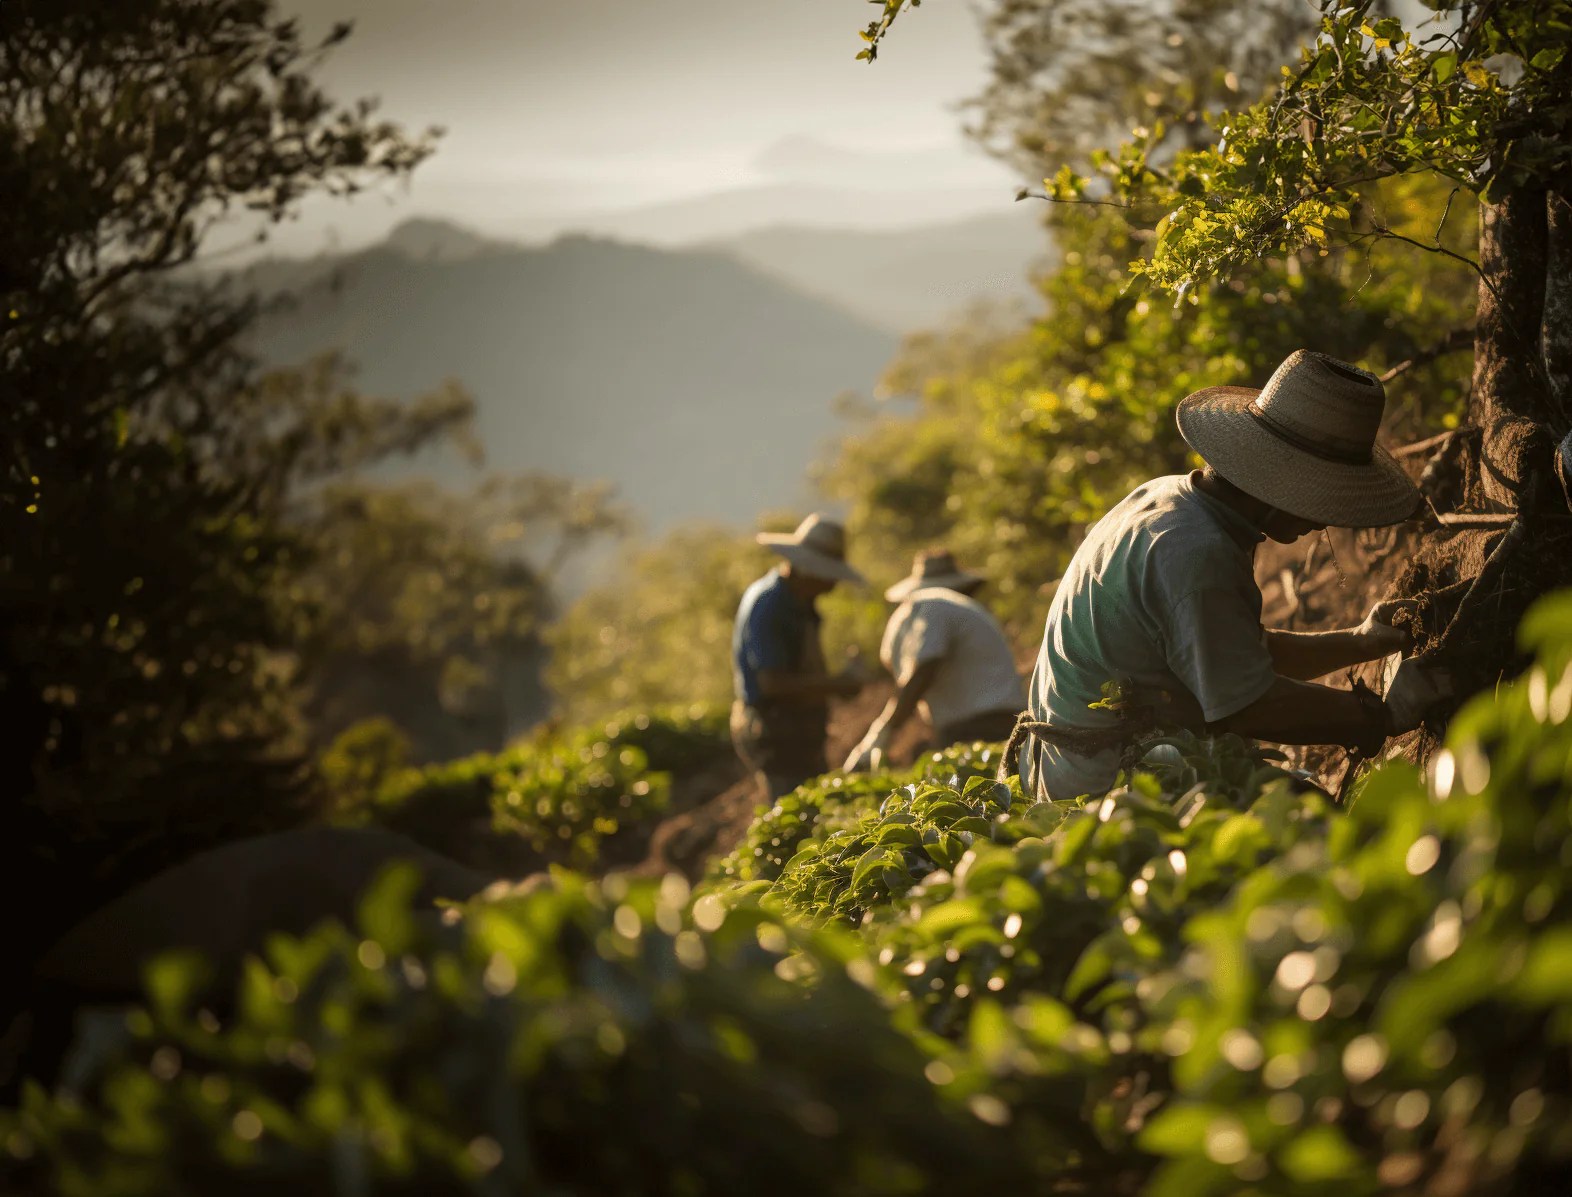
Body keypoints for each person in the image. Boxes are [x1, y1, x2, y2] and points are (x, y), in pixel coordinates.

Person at [1017, 349, 1452, 801]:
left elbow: (1233, 654)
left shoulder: (1171, 500)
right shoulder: (1197, 554)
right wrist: (1381, 714)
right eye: (1321, 496)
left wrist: (1362, 641)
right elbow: (1247, 707)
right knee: (1308, 813)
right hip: (1096, 783)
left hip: (1064, 765)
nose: (1322, 521)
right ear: (1280, 481)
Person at [844, 549, 1025, 771]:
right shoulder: (939, 606)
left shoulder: (935, 606)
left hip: (979, 726)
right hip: (992, 723)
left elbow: (924, 669)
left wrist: (881, 734)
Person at [732, 513, 866, 800]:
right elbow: (773, 683)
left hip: (797, 730)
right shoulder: (770, 605)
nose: (833, 584)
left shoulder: (799, 603)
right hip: (777, 731)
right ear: (807, 569)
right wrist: (838, 685)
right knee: (792, 811)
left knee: (811, 807)